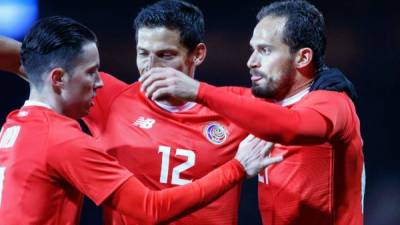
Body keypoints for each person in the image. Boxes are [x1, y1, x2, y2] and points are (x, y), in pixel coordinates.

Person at [0, 1, 358, 224]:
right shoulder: (106, 97)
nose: (151, 68)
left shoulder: (235, 106)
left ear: (197, 54)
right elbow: (33, 60)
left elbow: (294, 108)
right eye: (143, 54)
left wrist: (327, 81)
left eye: (166, 55)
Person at [139, 1, 364, 225]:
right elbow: (207, 105)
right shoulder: (262, 104)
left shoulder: (334, 103)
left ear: (303, 57)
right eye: (253, 49)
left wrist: (198, 91)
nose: (251, 62)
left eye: (265, 50)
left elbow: (293, 127)